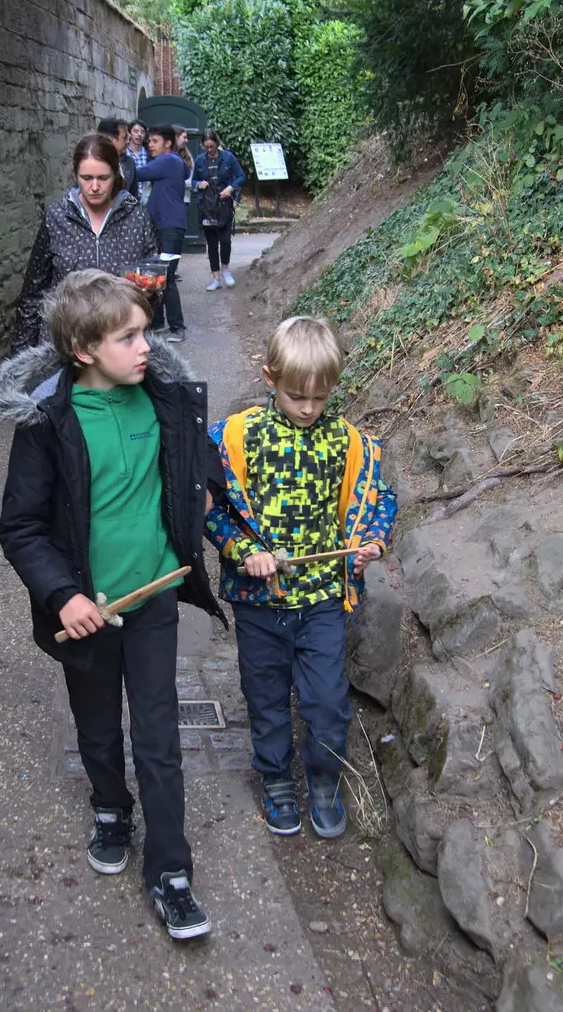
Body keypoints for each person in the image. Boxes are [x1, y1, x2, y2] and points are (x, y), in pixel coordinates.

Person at [0, 269, 225, 940]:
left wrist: (203, 491)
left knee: (158, 737)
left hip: (153, 599)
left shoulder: (165, 398)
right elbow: (21, 525)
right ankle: (110, 807)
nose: (146, 345)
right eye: (129, 337)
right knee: (98, 729)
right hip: (89, 610)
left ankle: (171, 871)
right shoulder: (47, 423)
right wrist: (61, 596)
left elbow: (199, 462)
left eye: (145, 330)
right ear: (85, 349)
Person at [205, 317, 397, 840]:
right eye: (296, 397)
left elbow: (379, 498)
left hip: (321, 600)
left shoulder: (348, 442)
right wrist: (244, 551)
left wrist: (371, 541)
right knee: (264, 695)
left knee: (327, 698)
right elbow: (211, 506)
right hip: (258, 600)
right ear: (271, 379)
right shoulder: (236, 438)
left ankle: (323, 778)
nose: (310, 408)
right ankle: (276, 781)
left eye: (321, 396)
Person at [13, 134, 158, 351]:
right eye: (87, 178)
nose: (95, 186)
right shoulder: (57, 218)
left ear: (115, 174)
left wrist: (150, 293)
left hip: (118, 345)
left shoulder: (137, 218)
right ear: (75, 175)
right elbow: (33, 294)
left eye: (103, 178)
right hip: (65, 344)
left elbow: (154, 282)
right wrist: (22, 362)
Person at [130, 125, 190, 342]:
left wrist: (122, 158)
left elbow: (136, 173)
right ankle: (158, 323)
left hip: (169, 226)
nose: (150, 145)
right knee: (158, 276)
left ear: (168, 142)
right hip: (166, 224)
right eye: (149, 141)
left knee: (167, 277)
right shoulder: (173, 162)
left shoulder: (168, 160)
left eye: (154, 141)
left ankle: (177, 327)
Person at [194, 130, 246, 291]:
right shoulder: (200, 160)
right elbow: (193, 180)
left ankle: (225, 270)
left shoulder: (228, 157)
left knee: (225, 240)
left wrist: (231, 188)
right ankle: (215, 277)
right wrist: (198, 184)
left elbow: (241, 176)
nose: (209, 150)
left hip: (224, 203)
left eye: (212, 146)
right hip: (207, 205)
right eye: (206, 147)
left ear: (217, 143)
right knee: (211, 242)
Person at [98, 117, 138, 198]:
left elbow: (134, 195)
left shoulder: (130, 163)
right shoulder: (92, 162)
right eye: (125, 137)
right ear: (110, 139)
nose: (128, 141)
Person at [126, 120, 151, 205]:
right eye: (136, 131)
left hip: (146, 198)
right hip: (129, 197)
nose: (139, 134)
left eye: (142, 132)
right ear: (130, 133)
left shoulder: (149, 153)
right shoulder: (124, 153)